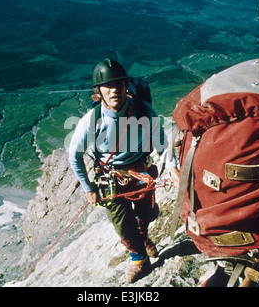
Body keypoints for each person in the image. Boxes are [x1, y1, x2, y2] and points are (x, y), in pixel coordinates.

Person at [68, 58, 180, 283]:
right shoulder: (92, 121)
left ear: (125, 86)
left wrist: (172, 167)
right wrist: (87, 187)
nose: (114, 90)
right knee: (123, 223)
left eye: (119, 85)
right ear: (98, 91)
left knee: (146, 214)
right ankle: (139, 259)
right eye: (108, 86)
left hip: (142, 171)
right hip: (111, 178)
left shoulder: (143, 110)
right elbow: (74, 156)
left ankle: (143, 237)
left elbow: (161, 143)